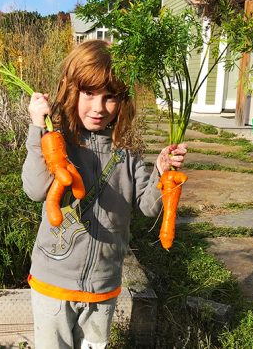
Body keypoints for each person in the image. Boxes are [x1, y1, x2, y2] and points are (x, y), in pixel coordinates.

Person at [22, 39, 187, 349]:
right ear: (71, 90)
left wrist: (163, 173)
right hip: (53, 284)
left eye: (110, 97)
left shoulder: (128, 152)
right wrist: (36, 128)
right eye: (88, 94)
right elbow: (34, 189)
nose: (98, 108)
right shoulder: (58, 141)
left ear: (123, 101)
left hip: (103, 285)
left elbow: (149, 207)